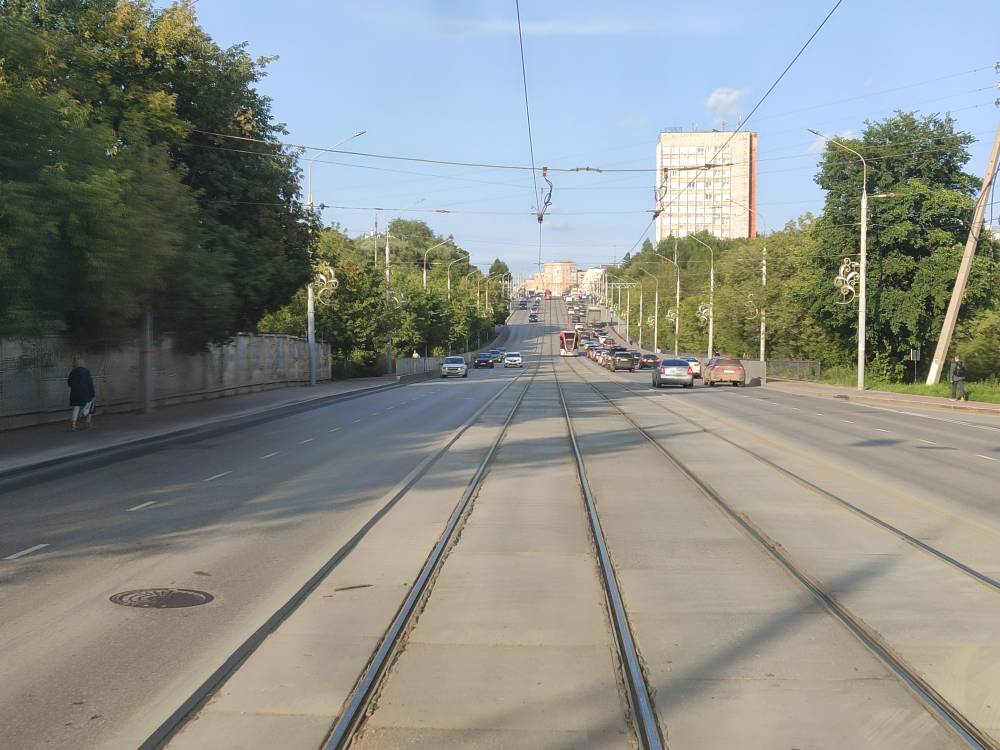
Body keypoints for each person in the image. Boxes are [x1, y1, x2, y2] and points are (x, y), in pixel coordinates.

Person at [67, 357, 96, 431]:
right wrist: (92, 394)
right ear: (83, 363)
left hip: (75, 393)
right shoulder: (86, 371)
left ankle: (73, 425)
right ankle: (87, 422)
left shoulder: (72, 372)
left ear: (75, 364)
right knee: (90, 406)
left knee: (76, 408)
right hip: (85, 393)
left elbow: (69, 383)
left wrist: (74, 387)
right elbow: (90, 383)